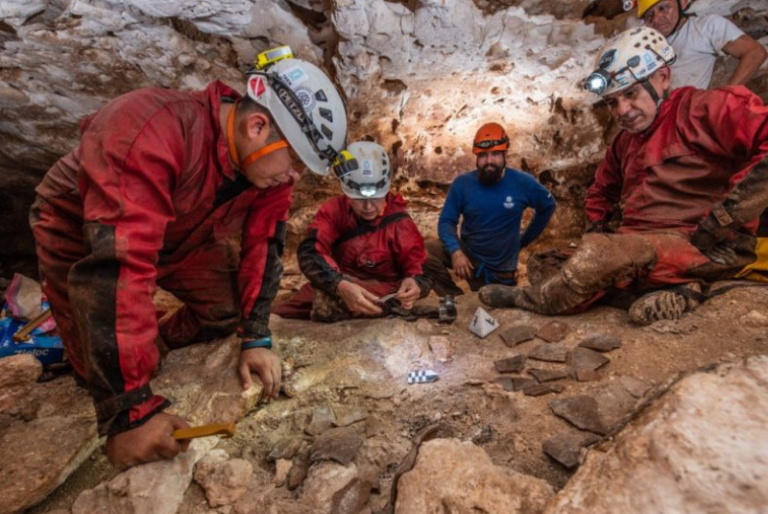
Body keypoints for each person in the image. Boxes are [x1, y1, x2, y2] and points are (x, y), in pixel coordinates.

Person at [29, 47, 348, 469]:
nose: (294, 177)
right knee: (98, 369)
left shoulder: (267, 177)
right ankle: (126, 367)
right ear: (257, 125)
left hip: (182, 232)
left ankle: (149, 344)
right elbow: (118, 263)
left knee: (224, 312)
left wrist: (255, 336)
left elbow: (264, 246)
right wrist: (130, 415)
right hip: (85, 229)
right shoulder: (149, 126)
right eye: (295, 163)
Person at [480, 27, 768, 323]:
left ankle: (529, 299)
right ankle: (680, 290)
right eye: (612, 102)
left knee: (599, 258)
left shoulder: (704, 107)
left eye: (630, 94)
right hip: (639, 246)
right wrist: (598, 229)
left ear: (663, 78)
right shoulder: (625, 141)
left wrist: (721, 223)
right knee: (547, 262)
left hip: (703, 244)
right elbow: (601, 191)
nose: (623, 110)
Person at [272, 141, 430, 321]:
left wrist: (416, 283)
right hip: (338, 282)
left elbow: (419, 266)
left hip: (381, 291)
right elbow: (311, 252)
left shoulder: (399, 222)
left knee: (329, 306)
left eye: (376, 198)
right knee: (277, 314)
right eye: (358, 199)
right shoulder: (334, 211)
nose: (368, 206)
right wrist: (339, 283)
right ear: (346, 192)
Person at [424, 122, 556, 296]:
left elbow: (547, 206)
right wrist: (455, 251)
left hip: (499, 272)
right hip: (468, 258)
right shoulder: (463, 184)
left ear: (505, 154)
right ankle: (454, 298)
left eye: (495, 154)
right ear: (477, 157)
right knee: (423, 251)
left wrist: (523, 240)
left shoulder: (522, 182)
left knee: (491, 309)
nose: (489, 161)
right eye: (483, 155)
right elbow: (447, 221)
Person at [637, 0, 767, 89]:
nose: (656, 18)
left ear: (682, 2)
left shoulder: (705, 26)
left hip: (686, 116)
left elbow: (755, 52)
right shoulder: (645, 47)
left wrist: (725, 95)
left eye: (663, 8)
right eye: (649, 15)